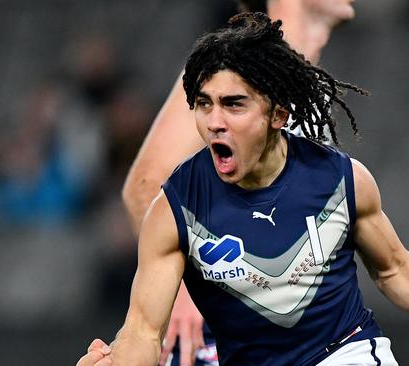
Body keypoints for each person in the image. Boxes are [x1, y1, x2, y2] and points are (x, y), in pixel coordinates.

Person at [78, 13, 409, 366]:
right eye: (204, 104)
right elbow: (143, 331)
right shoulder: (176, 208)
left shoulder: (341, 180)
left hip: (345, 354)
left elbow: (393, 269)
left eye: (234, 104)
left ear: (278, 115)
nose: (214, 121)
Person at [121, 1, 357, 365]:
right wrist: (183, 295)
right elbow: (145, 184)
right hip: (219, 336)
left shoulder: (287, 67)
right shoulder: (236, 67)